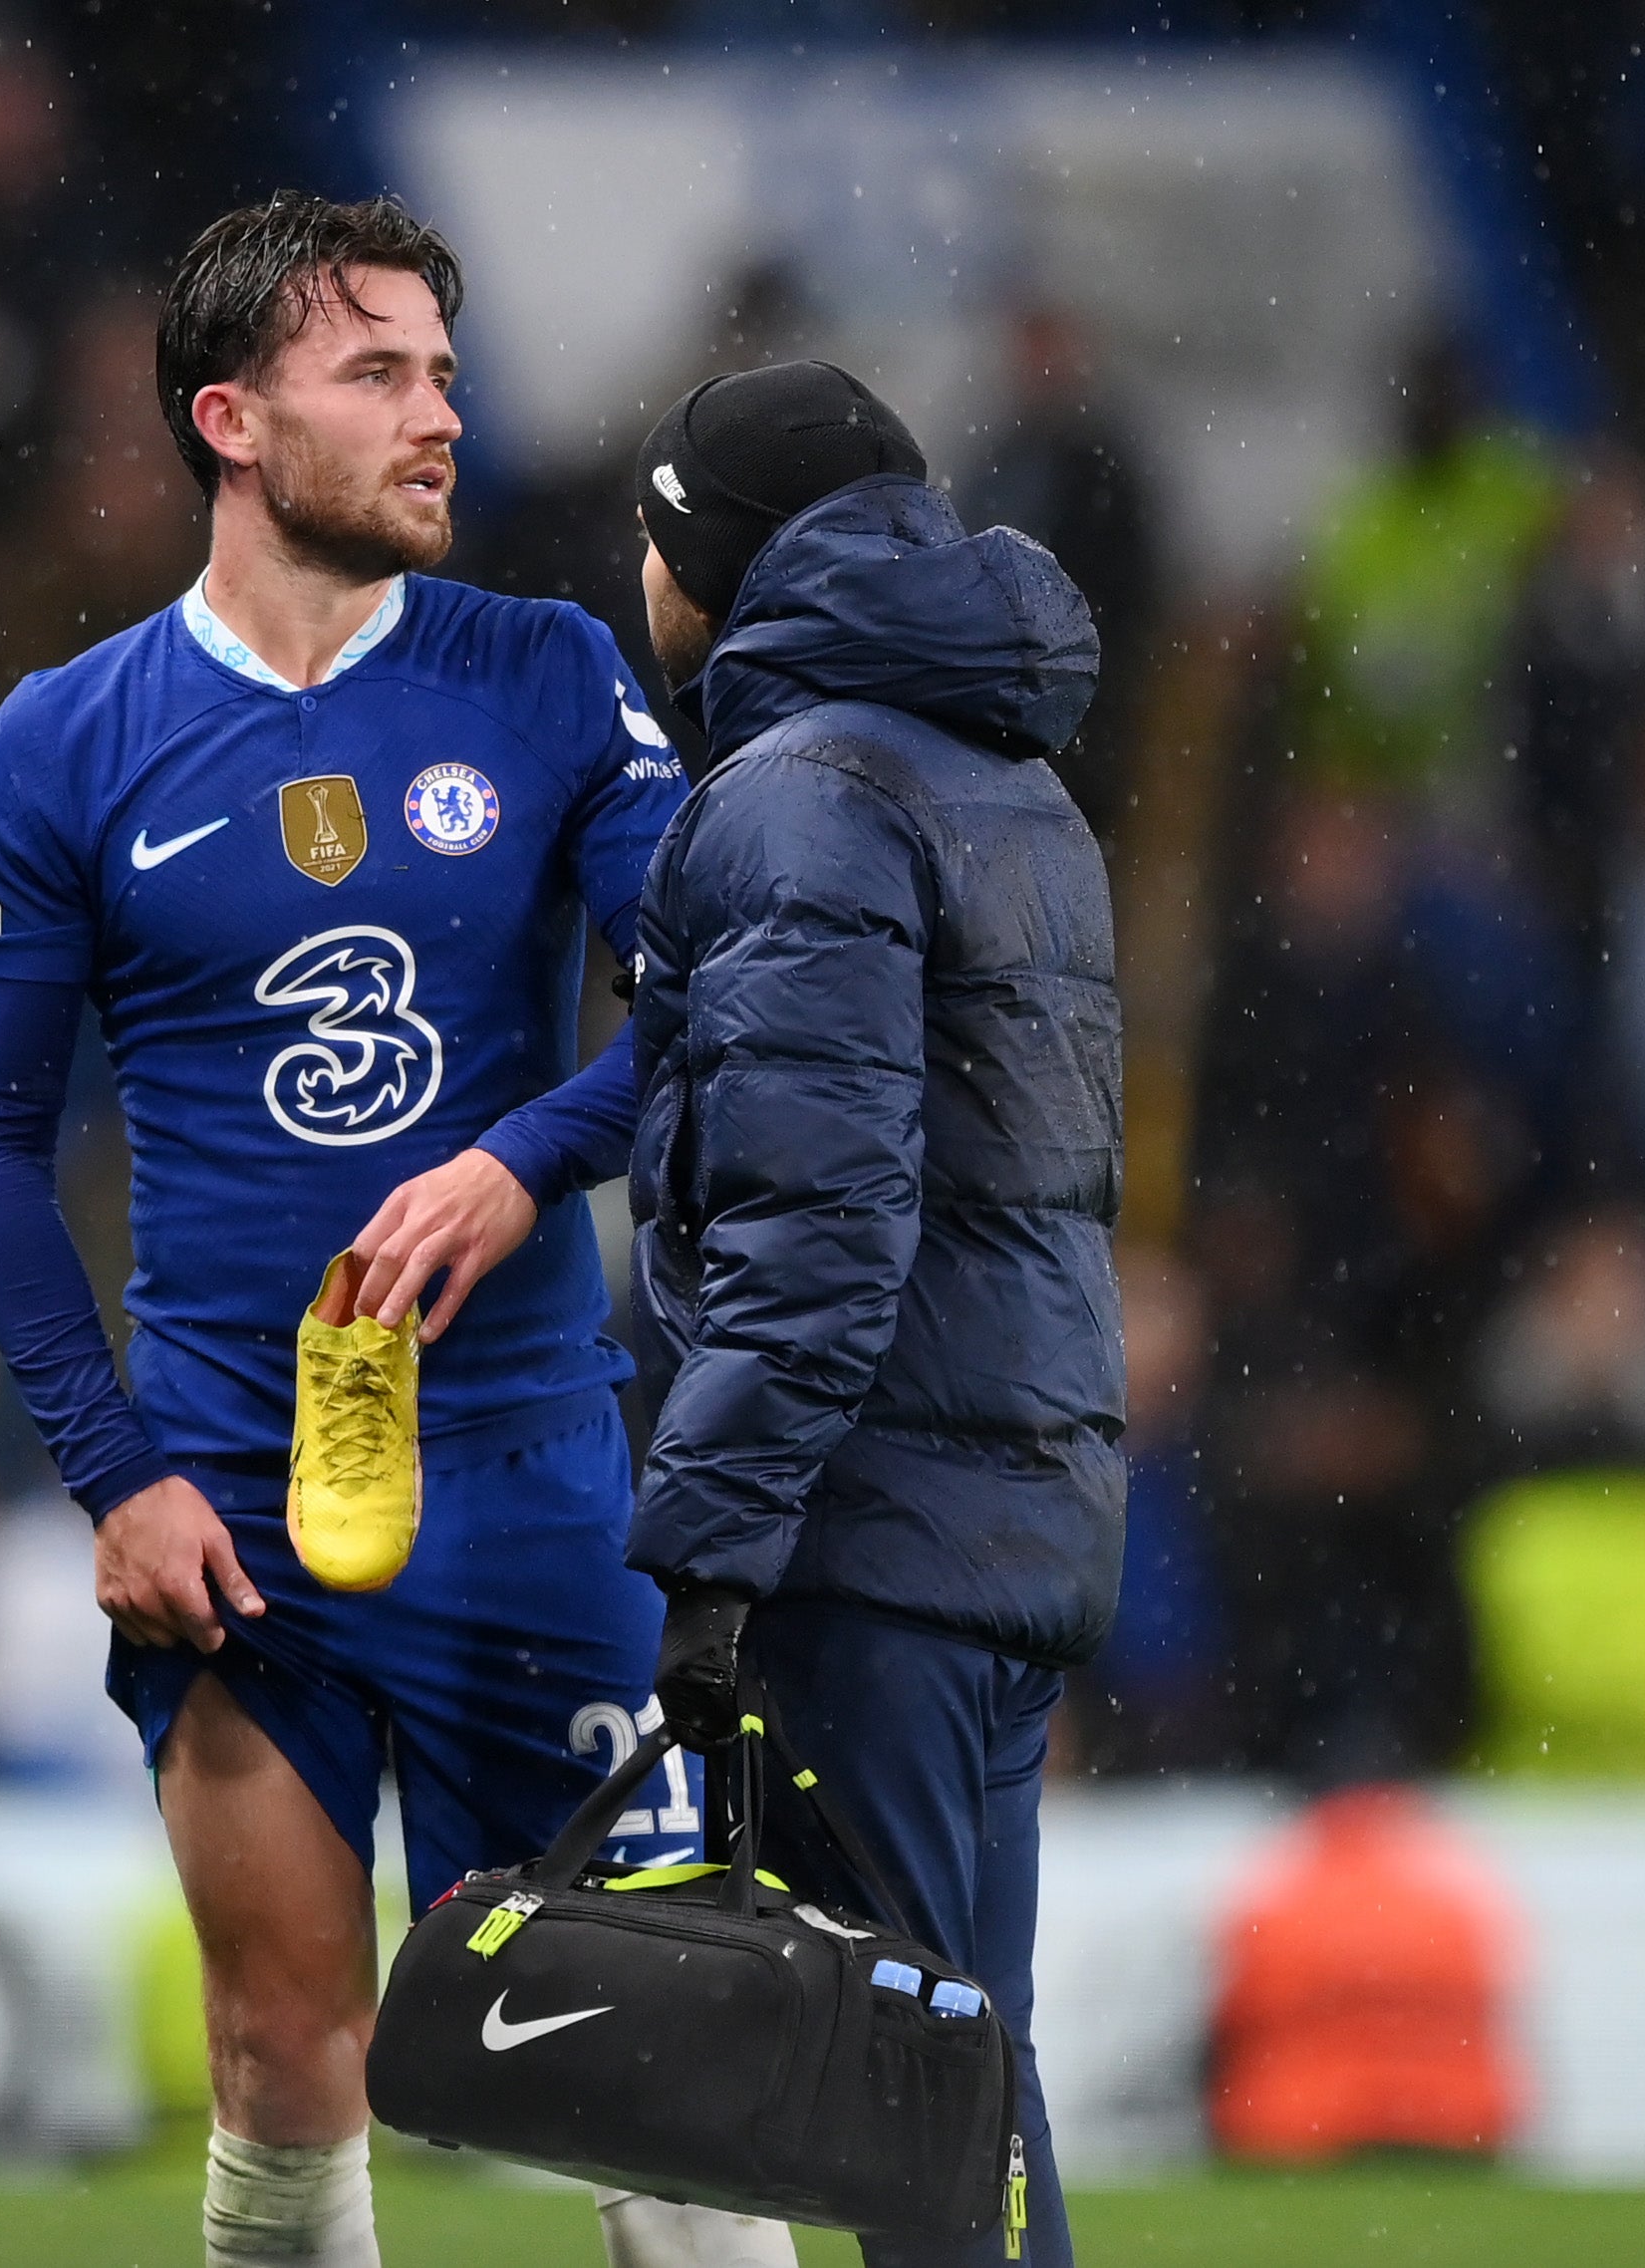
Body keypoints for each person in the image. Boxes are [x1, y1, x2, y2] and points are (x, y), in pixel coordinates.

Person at [0, 193, 784, 2268]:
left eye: (445, 375)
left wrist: (527, 1157)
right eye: (379, 373)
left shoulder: (545, 673)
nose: (439, 419)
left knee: (644, 2058)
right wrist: (112, 1471)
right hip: (236, 1494)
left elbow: (723, 980)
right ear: (231, 419)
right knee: (280, 2052)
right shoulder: (72, 737)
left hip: (529, 1474)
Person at [624, 362, 1123, 2268]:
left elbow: (818, 1227)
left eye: (655, 537)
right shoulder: (1007, 772)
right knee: (965, 2075)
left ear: (712, 559)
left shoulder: (798, 792)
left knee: (916, 2109)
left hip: (874, 1530)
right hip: (1009, 1504)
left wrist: (709, 1556)